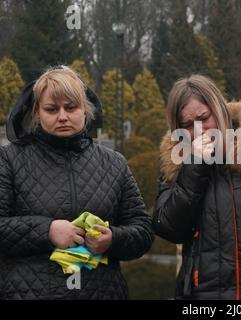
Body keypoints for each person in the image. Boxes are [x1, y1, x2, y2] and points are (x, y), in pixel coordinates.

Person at [0, 66, 154, 300]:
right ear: (37, 113)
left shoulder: (114, 164)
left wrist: (113, 238)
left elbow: (143, 230)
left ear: (85, 110)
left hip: (102, 292)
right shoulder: (9, 159)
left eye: (71, 107)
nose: (62, 116)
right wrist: (47, 231)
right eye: (52, 109)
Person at [153, 74, 241, 299]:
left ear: (220, 109)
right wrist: (195, 166)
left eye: (204, 118)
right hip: (202, 295)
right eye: (188, 125)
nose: (200, 130)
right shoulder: (177, 162)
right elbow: (167, 227)